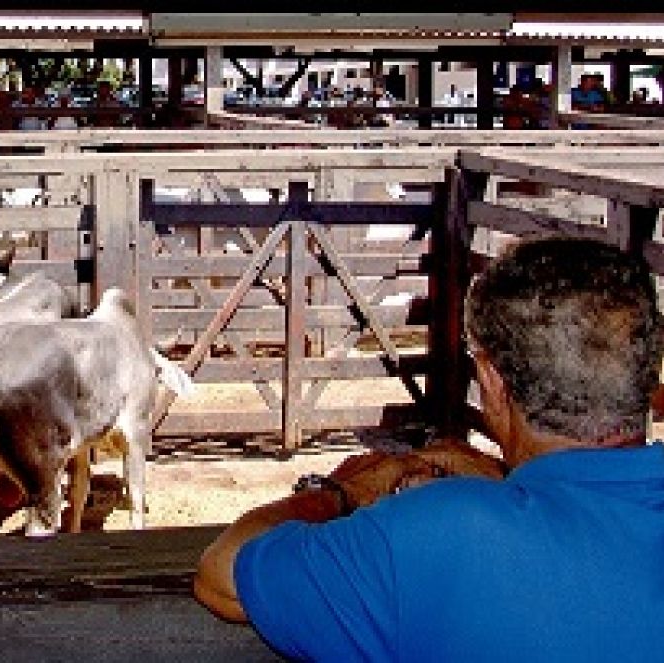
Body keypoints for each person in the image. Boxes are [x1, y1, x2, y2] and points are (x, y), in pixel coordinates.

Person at [195, 235, 664, 661]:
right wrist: (508, 479)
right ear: (647, 377)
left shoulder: (445, 530)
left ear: (492, 383)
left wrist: (341, 492)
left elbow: (222, 575)